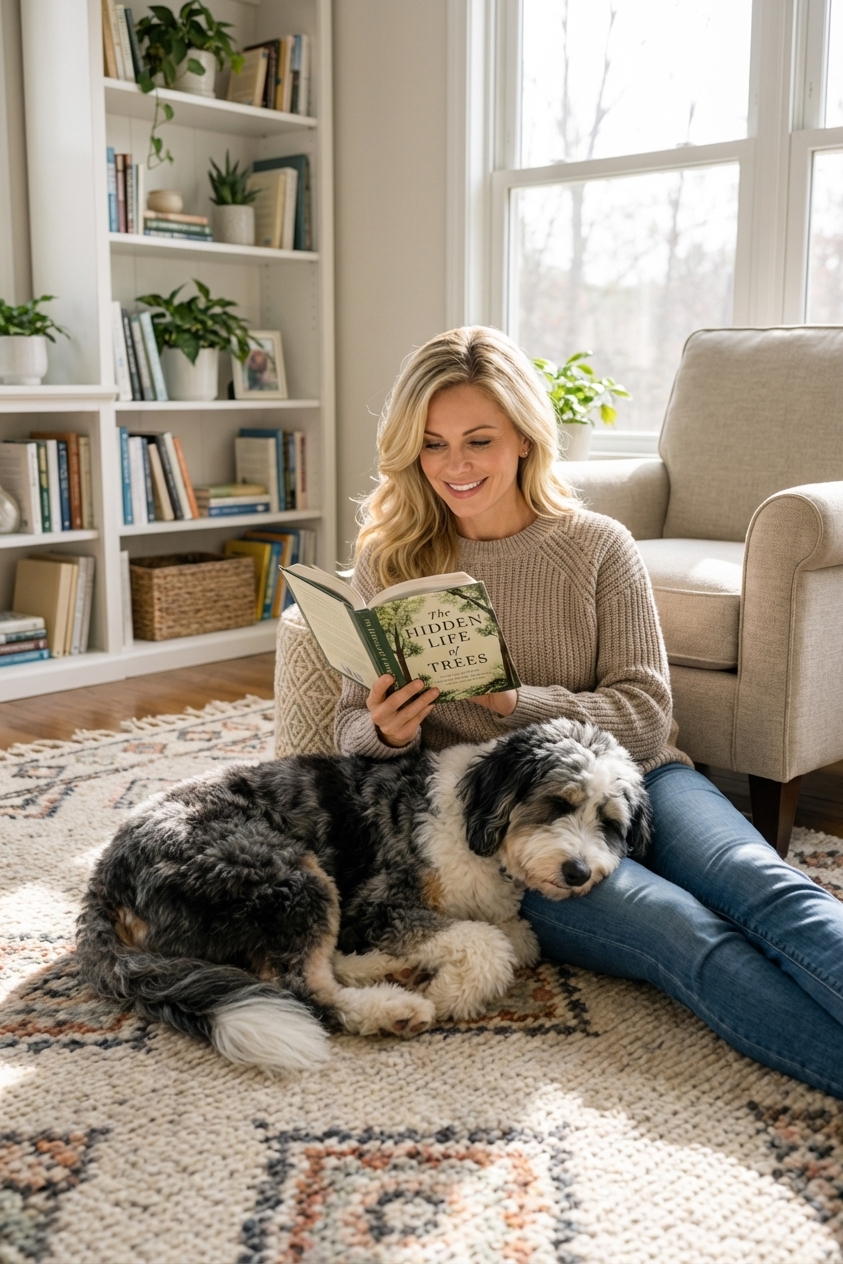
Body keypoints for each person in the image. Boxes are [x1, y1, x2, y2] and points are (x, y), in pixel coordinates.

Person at [335, 325, 843, 1099]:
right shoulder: (393, 557)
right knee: (684, 933)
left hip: (639, 784)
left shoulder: (597, 545)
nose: (455, 466)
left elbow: (644, 711)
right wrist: (384, 728)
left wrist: (514, 701)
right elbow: (345, 726)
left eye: (478, 440)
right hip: (501, 836)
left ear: (524, 440)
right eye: (432, 445)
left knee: (763, 887)